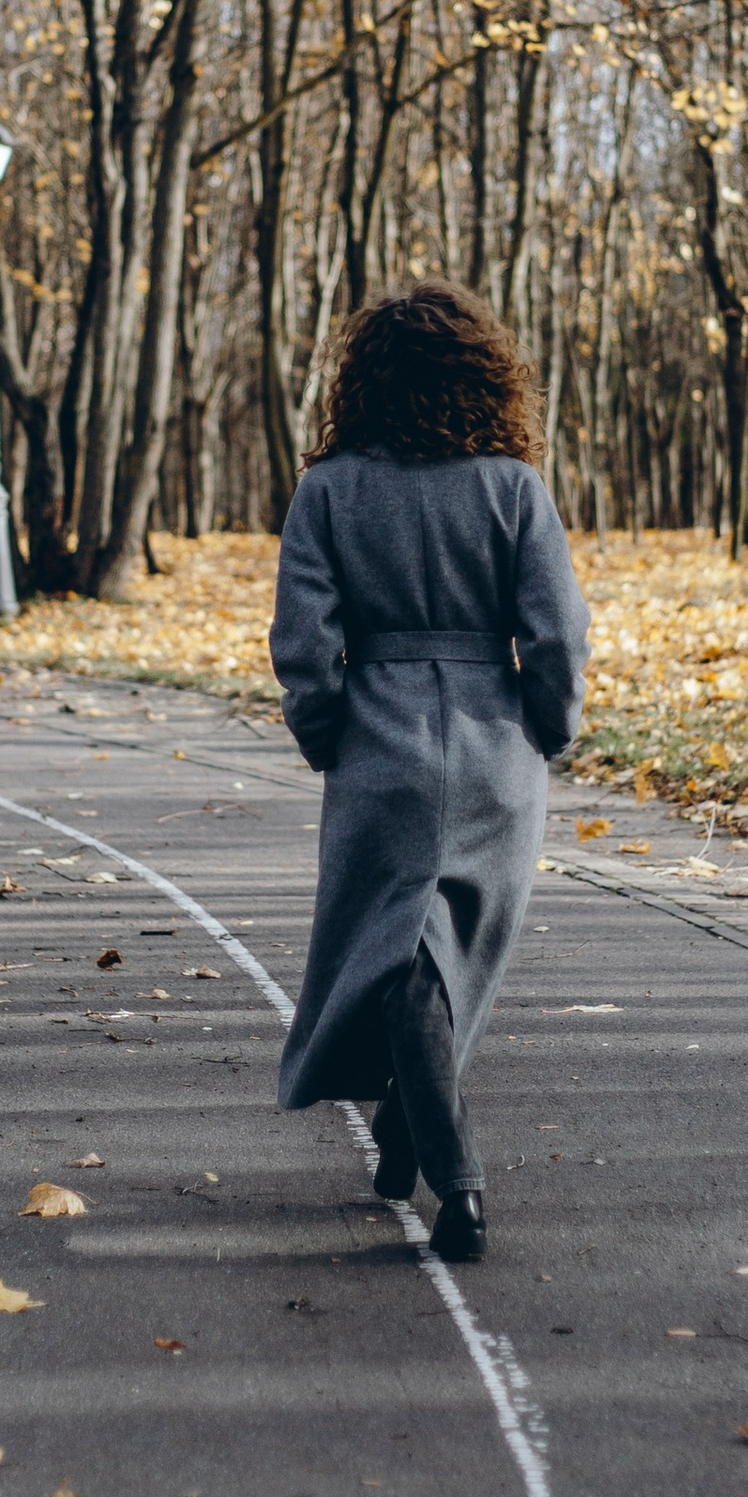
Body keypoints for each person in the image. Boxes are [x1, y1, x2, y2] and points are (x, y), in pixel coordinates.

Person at [268, 281, 590, 1262]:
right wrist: (549, 727)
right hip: (497, 748)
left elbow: (301, 642)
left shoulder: (328, 492)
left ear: (361, 381)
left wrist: (328, 736)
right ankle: (433, 1155)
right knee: (448, 956)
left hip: (379, 741)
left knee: (403, 956)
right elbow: (558, 633)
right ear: (481, 374)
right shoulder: (512, 489)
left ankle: (450, 1174)